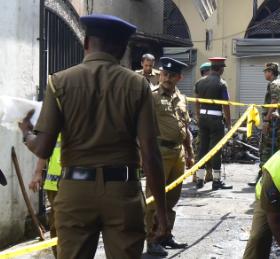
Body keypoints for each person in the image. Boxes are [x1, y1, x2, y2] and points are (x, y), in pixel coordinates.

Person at [18, 14, 168, 259]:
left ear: (86, 43)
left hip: (75, 192)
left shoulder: (59, 82)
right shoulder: (138, 85)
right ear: (121, 50)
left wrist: (26, 134)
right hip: (123, 191)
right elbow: (151, 154)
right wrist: (161, 213)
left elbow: (43, 148)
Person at [145, 57, 194, 256]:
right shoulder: (151, 96)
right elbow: (141, 125)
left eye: (172, 76)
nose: (167, 78)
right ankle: (152, 239)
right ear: (160, 75)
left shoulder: (181, 97)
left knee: (172, 198)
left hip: (178, 153)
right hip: (158, 153)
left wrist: (190, 152)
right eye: (164, 74)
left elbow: (186, 127)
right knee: (153, 199)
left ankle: (166, 234)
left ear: (179, 78)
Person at [194, 57, 232, 190]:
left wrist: (198, 117)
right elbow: (226, 105)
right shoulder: (222, 83)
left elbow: (197, 101)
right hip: (216, 120)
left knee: (202, 148)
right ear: (221, 69)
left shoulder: (200, 82)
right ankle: (216, 181)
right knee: (216, 150)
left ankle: (199, 179)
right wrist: (229, 124)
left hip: (203, 118)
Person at [248, 62, 280, 187]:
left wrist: (267, 121)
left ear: (271, 72)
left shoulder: (274, 84)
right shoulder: (279, 83)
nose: (265, 74)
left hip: (272, 121)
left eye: (266, 71)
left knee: (265, 148)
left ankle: (263, 176)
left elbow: (274, 102)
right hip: (275, 120)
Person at [28, 135, 62, 258]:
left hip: (76, 183)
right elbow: (45, 148)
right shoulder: (57, 121)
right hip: (54, 184)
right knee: (55, 225)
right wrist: (38, 173)